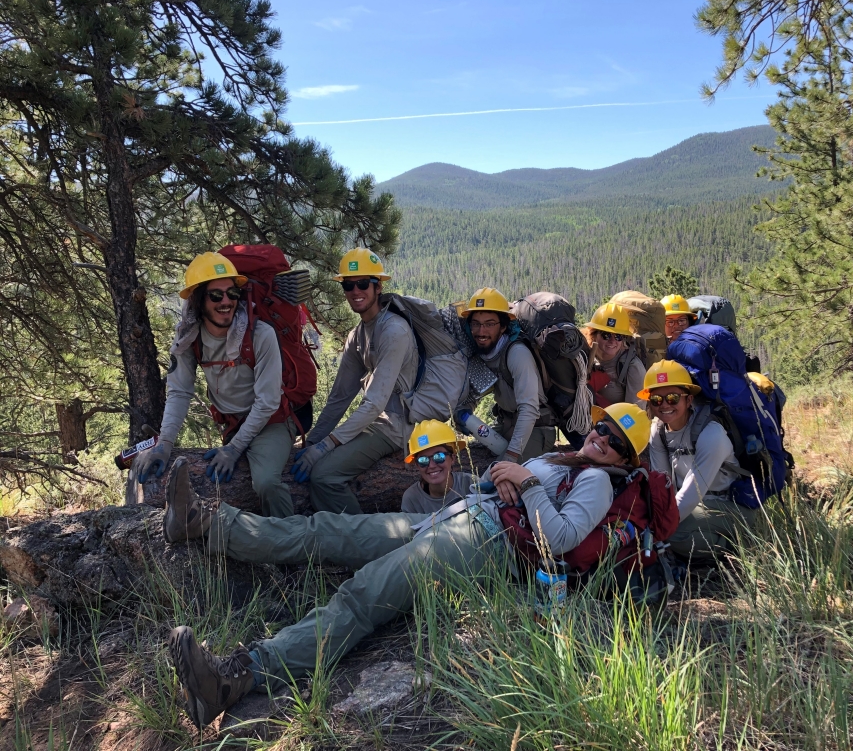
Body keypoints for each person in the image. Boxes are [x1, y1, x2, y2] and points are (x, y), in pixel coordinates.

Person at [162, 402, 651, 730]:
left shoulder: (598, 484)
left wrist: (525, 484)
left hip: (483, 544)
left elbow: (560, 539)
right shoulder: (563, 459)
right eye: (602, 426)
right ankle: (207, 526)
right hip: (453, 518)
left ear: (625, 460)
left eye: (616, 441)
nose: (602, 437)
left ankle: (235, 678)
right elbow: (496, 486)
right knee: (327, 529)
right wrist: (502, 481)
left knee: (364, 592)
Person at [132, 252, 299, 518]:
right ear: (199, 300)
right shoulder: (189, 336)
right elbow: (179, 391)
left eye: (232, 294)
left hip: (273, 423)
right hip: (234, 425)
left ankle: (295, 548)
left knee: (266, 482)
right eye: (216, 295)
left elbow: (268, 402)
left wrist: (234, 448)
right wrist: (164, 443)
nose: (226, 302)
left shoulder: (260, 333)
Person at [290, 248, 419, 514]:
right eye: (349, 285)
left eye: (363, 283)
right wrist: (313, 441)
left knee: (325, 476)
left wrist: (326, 446)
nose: (355, 291)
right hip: (377, 420)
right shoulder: (358, 335)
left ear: (378, 286)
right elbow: (340, 396)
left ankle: (362, 541)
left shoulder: (394, 331)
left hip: (396, 426)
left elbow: (374, 404)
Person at [638, 359, 755, 563]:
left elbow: (692, 493)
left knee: (673, 533)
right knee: (661, 526)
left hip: (729, 505)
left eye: (673, 398)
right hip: (697, 505)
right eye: (656, 399)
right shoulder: (658, 431)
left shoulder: (711, 434)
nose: (664, 405)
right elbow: (664, 486)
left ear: (689, 400)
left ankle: (740, 547)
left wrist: (654, 531)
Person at [459, 287, 556, 462]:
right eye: (476, 324)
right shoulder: (484, 352)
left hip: (536, 429)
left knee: (499, 475)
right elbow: (477, 390)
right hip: (506, 425)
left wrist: (511, 455)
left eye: (489, 324)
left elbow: (529, 409)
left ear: (503, 326)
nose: (481, 331)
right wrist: (465, 411)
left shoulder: (516, 353)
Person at [400, 419, 474, 514]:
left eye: (439, 457)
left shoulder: (470, 484)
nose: (431, 466)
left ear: (452, 458)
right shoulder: (412, 500)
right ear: (417, 465)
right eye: (423, 460)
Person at [584, 302, 646, 410]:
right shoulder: (585, 358)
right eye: (606, 335)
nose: (612, 341)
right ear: (594, 335)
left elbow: (635, 412)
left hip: (618, 424)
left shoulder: (632, 367)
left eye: (618, 336)